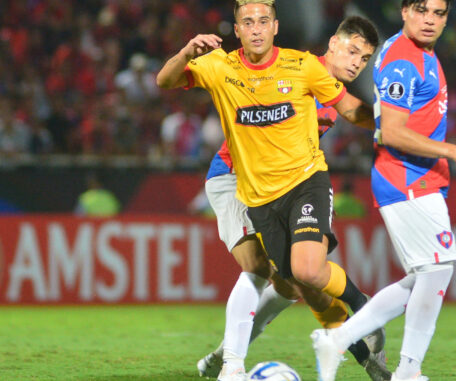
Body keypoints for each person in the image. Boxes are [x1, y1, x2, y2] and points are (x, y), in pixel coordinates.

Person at [157, 2, 383, 380]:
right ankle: (233, 363)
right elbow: (169, 81)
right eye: (352, 52)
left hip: (283, 186)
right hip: (233, 176)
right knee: (260, 268)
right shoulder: (297, 68)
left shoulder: (326, 88)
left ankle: (222, 356)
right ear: (332, 44)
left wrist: (395, 125)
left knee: (291, 283)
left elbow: (351, 111)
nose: (358, 63)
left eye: (365, 58)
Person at [311, 1, 456, 381]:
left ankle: (339, 339)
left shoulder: (420, 52)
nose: (430, 19)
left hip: (421, 178)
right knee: (437, 269)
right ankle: (408, 370)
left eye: (439, 13)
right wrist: (454, 150)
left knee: (424, 275)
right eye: (422, 10)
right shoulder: (402, 61)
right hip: (405, 177)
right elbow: (391, 131)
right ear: (405, 10)